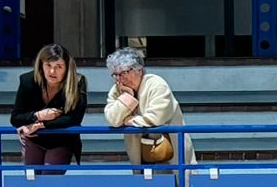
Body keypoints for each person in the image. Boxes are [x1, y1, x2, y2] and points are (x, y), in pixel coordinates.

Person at [103, 48, 194, 169]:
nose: (120, 79)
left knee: (180, 184)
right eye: (116, 75)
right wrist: (128, 97)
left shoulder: (156, 84)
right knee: (146, 185)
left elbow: (155, 118)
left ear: (139, 70)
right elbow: (112, 119)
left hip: (171, 150)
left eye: (124, 73)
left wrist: (129, 121)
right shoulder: (117, 90)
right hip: (141, 155)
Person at [12, 43, 88, 174]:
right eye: (48, 65)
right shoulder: (27, 80)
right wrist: (38, 115)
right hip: (34, 139)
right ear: (41, 65)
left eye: (59, 67)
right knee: (32, 181)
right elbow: (15, 118)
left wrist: (38, 125)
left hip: (61, 140)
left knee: (49, 180)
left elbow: (73, 119)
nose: (52, 72)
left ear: (67, 68)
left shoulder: (78, 82)